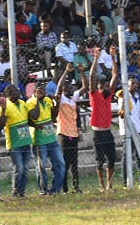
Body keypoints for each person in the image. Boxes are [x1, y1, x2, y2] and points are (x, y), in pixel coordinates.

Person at [27, 82, 66, 195]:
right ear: (34, 92)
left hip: (51, 139)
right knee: (41, 166)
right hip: (39, 140)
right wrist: (38, 100)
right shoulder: (30, 102)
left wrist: (57, 104)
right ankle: (44, 190)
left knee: (59, 164)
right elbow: (34, 116)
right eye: (39, 91)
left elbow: (54, 117)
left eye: (44, 91)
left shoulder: (48, 100)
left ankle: (56, 189)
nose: (43, 93)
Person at [89, 46, 118, 191]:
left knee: (112, 158)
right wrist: (95, 58)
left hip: (108, 131)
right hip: (97, 132)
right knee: (99, 160)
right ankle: (101, 185)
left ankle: (109, 183)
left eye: (108, 86)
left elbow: (115, 75)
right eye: (105, 86)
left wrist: (112, 57)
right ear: (99, 87)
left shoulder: (108, 95)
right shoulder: (95, 95)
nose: (108, 88)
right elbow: (92, 76)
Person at [55, 63, 87, 194]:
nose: (71, 89)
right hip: (64, 133)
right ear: (64, 90)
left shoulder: (72, 98)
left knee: (74, 162)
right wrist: (66, 72)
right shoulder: (61, 98)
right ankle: (64, 188)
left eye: (72, 87)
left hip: (73, 133)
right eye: (68, 88)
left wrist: (82, 72)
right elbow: (58, 87)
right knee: (65, 162)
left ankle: (76, 186)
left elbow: (85, 87)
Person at [0, 84, 32, 198]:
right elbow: (1, 124)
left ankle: (22, 192)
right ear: (6, 96)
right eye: (11, 93)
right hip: (14, 143)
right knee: (19, 168)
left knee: (25, 169)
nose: (15, 94)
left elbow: (29, 118)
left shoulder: (23, 103)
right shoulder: (5, 106)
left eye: (16, 91)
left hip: (26, 141)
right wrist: (3, 110)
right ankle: (15, 192)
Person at [117, 77, 140, 188]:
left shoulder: (137, 96)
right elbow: (121, 114)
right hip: (128, 131)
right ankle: (125, 182)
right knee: (126, 156)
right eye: (132, 83)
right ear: (127, 86)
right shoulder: (123, 97)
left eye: (136, 83)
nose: (135, 85)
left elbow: (135, 112)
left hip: (138, 129)